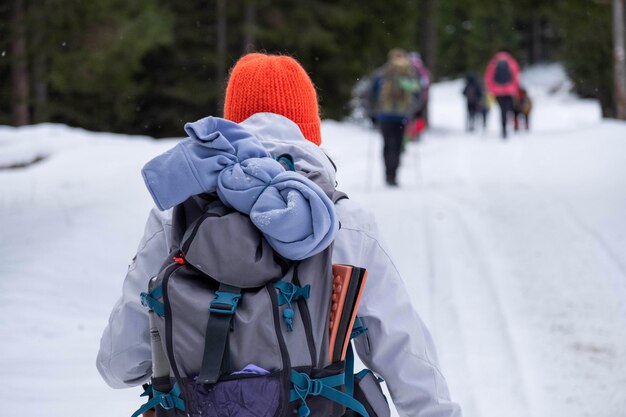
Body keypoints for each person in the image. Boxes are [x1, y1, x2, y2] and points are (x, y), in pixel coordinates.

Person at [97, 53, 461, 417]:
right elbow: (402, 350)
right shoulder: (341, 221)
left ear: (229, 123)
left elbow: (119, 365)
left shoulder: (175, 217)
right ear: (309, 130)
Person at [368, 48, 421, 186]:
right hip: (401, 116)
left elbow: (371, 93)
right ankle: (394, 175)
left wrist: (372, 113)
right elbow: (416, 91)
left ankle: (387, 174)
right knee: (397, 145)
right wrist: (415, 111)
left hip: (384, 115)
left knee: (387, 144)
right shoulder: (408, 73)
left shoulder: (382, 73)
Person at [484, 51, 520, 139]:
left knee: (502, 111)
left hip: (497, 92)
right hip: (509, 91)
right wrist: (515, 90)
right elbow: (516, 77)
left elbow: (488, 78)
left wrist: (491, 90)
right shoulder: (512, 63)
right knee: (508, 110)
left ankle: (503, 128)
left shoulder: (493, 63)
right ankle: (511, 125)